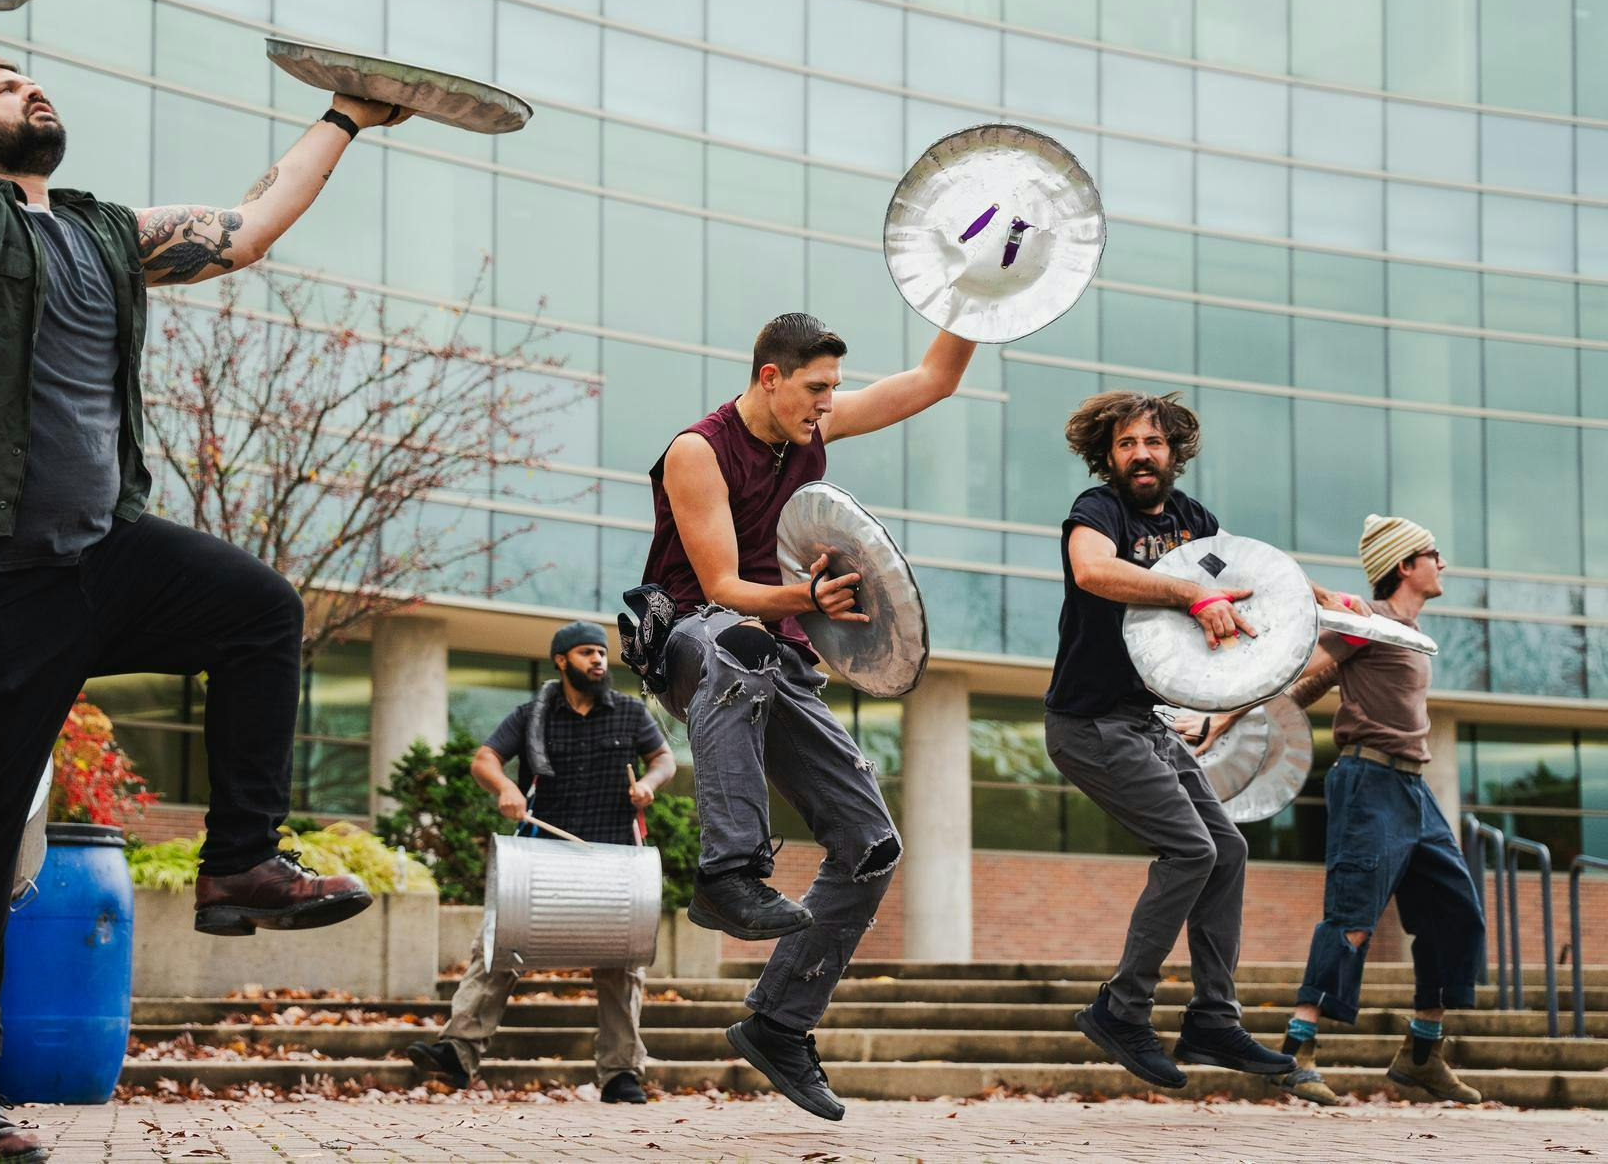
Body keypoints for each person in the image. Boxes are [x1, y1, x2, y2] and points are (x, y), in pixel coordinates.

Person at [0, 15, 409, 1161]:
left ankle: (236, 862)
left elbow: (246, 227)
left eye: (35, 78)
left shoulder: (106, 232)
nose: (36, 92)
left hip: (99, 550)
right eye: (6, 86)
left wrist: (347, 118)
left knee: (260, 610)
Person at [630, 311, 974, 1121]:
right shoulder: (698, 450)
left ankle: (781, 1022)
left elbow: (934, 380)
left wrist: (974, 297)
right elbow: (721, 587)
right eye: (816, 387)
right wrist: (811, 600)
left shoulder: (813, 423)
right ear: (770, 377)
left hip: (771, 656)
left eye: (835, 389)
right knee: (738, 642)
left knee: (871, 844)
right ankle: (728, 873)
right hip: (693, 640)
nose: (830, 402)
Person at [1046, 390, 1356, 1090]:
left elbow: (1250, 574)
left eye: (1152, 442)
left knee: (1228, 850)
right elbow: (1093, 569)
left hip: (1143, 721)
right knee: (1190, 848)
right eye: (1126, 444)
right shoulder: (1101, 511)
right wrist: (1191, 595)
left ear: (1175, 450)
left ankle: (1213, 1017)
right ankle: (1121, 1010)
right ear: (1109, 455)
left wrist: (1320, 597)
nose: (1140, 455)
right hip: (1088, 720)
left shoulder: (1194, 522)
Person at [1197, 515, 1483, 1105]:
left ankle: (1422, 1055)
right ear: (1405, 566)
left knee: (1455, 912)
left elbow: (1318, 683)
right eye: (1433, 553)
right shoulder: (1366, 618)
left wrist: (1271, 706)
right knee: (1353, 917)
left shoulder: (1396, 630)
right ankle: (1296, 1051)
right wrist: (1229, 715)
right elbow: (1298, 664)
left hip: (1413, 788)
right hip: (1369, 780)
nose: (1443, 563)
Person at [405, 621, 675, 1104]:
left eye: (600, 652)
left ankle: (620, 1074)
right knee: (497, 947)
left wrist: (649, 784)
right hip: (543, 851)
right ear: (560, 660)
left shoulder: (631, 712)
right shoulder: (531, 714)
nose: (597, 660)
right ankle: (457, 1053)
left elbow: (665, 759)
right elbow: (484, 758)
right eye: (586, 652)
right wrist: (506, 786)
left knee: (622, 967)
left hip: (613, 855)